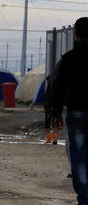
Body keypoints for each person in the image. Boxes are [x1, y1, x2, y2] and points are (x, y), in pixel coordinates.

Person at [53, 17, 88, 204]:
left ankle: (84, 198)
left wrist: (56, 113)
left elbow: (57, 86)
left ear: (76, 34)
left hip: (76, 113)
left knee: (79, 157)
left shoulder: (68, 59)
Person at [43, 76, 58, 144]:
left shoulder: (48, 90)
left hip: (49, 109)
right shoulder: (57, 89)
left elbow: (46, 99)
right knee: (55, 124)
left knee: (47, 125)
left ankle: (49, 139)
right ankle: (55, 140)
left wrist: (46, 108)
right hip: (55, 109)